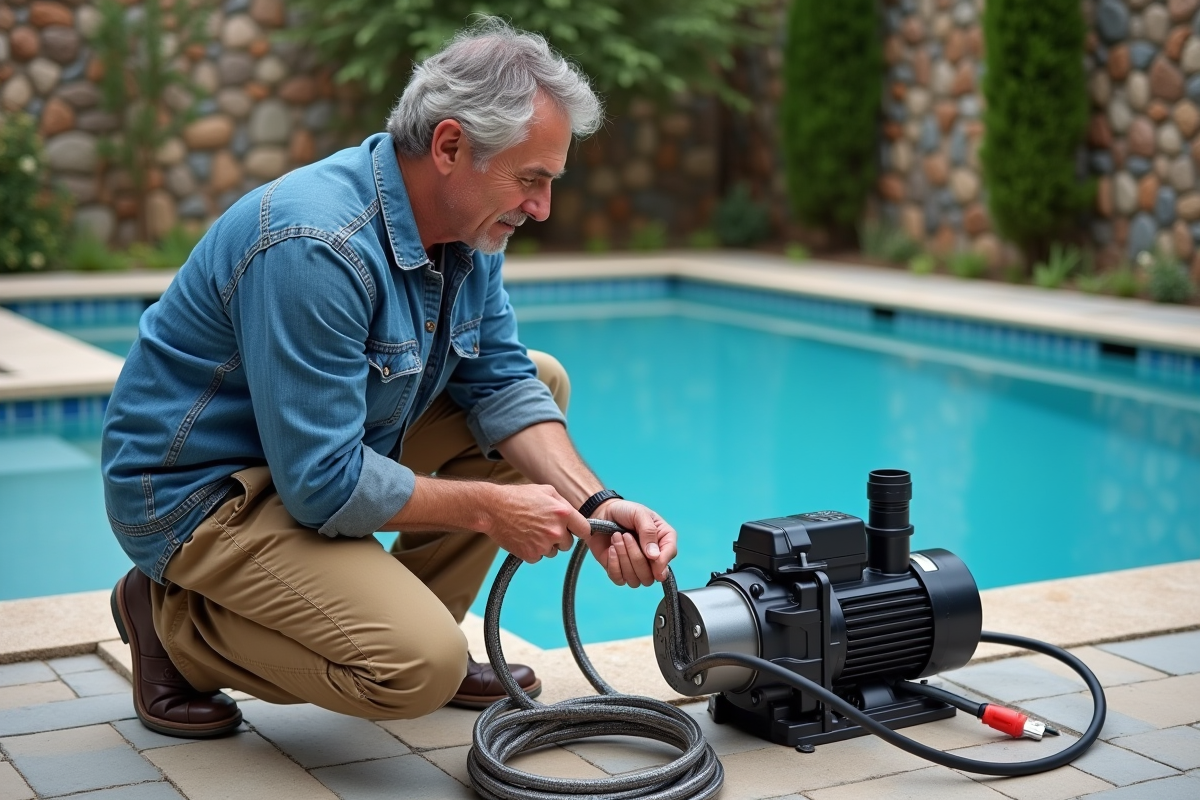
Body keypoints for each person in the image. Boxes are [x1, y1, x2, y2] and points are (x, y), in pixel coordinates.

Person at [101, 19, 678, 739]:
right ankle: (170, 623)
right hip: (202, 493)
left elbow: (499, 378)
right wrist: (491, 511)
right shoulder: (317, 246)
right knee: (411, 670)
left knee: (542, 379)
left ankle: (415, 618)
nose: (542, 207)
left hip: (307, 460)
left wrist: (597, 502)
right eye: (531, 180)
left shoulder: (468, 226)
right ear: (449, 146)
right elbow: (322, 485)